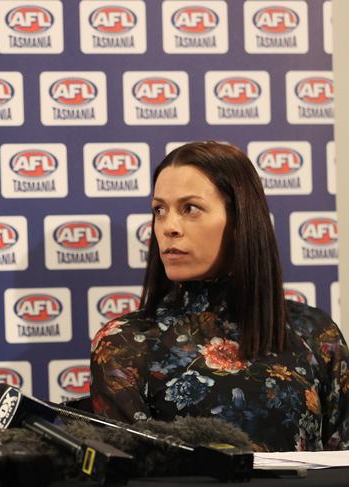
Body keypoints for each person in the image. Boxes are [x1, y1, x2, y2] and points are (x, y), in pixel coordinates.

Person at [90, 141, 349, 452]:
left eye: (190, 209)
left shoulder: (316, 333)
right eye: (160, 209)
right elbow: (132, 473)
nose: (168, 227)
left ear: (241, 220)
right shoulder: (124, 344)